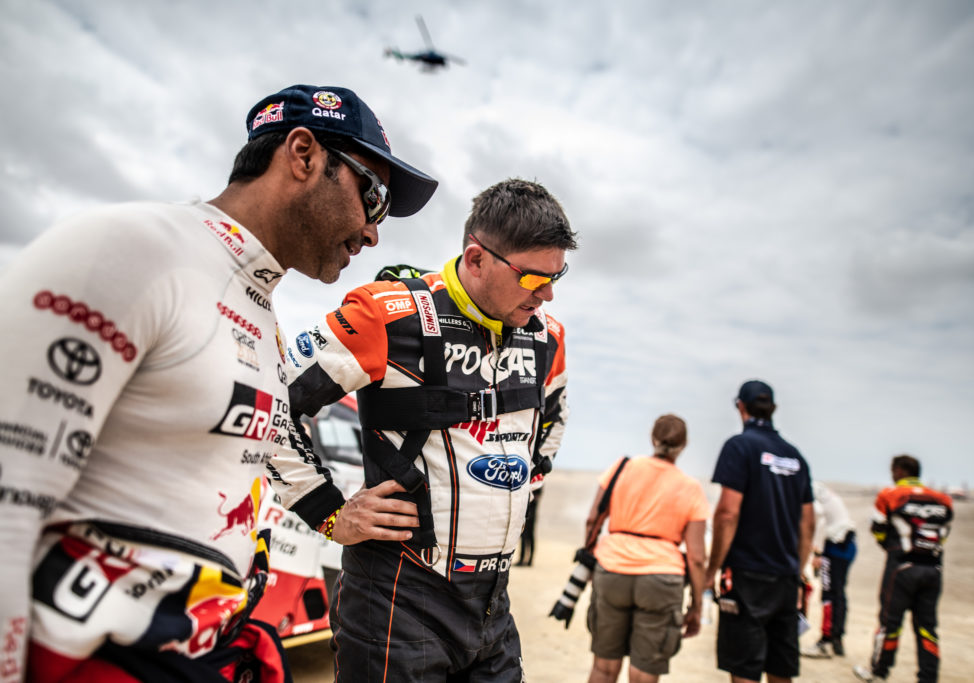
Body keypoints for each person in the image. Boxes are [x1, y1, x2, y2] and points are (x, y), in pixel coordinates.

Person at [0, 83, 437, 682]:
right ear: (304, 156)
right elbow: (9, 501)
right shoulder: (133, 251)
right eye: (374, 197)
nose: (374, 232)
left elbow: (271, 444)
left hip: (204, 651)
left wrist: (335, 519)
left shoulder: (259, 312)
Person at [281, 178, 576, 682]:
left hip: (492, 602)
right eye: (533, 278)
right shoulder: (385, 314)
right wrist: (328, 513)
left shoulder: (547, 337)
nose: (547, 295)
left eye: (558, 275)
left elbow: (551, 419)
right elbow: (265, 403)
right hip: (397, 597)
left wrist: (518, 488)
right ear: (477, 258)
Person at [584, 414, 709, 683]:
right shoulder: (691, 488)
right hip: (662, 579)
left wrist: (592, 561)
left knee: (604, 667)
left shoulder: (622, 468)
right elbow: (697, 558)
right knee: (644, 672)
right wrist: (697, 605)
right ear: (684, 445)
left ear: (652, 439)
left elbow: (593, 520)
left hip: (613, 569)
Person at [705, 380, 816, 683]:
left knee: (745, 669)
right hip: (785, 577)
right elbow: (808, 522)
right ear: (774, 409)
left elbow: (727, 513)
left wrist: (711, 569)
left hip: (747, 576)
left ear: (739, 406)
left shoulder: (739, 447)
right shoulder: (796, 457)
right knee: (780, 668)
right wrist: (798, 569)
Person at [853, 455, 954, 683]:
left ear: (900, 471)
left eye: (893, 470)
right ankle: (928, 678)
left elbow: (877, 526)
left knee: (890, 623)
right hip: (933, 569)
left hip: (901, 567)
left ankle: (879, 672)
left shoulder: (890, 494)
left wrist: (890, 547)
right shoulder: (943, 499)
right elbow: (944, 533)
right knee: (927, 626)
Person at [801, 481, 857, 658]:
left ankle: (827, 640)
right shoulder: (823, 491)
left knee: (829, 594)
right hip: (846, 544)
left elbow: (816, 519)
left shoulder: (810, 491)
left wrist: (817, 551)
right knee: (838, 593)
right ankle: (836, 639)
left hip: (835, 545)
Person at [516, 486, 542, 567]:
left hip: (531, 512)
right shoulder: (535, 481)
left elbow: (537, 496)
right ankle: (523, 559)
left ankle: (529, 560)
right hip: (527, 511)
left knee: (529, 536)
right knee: (525, 536)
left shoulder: (539, 482)